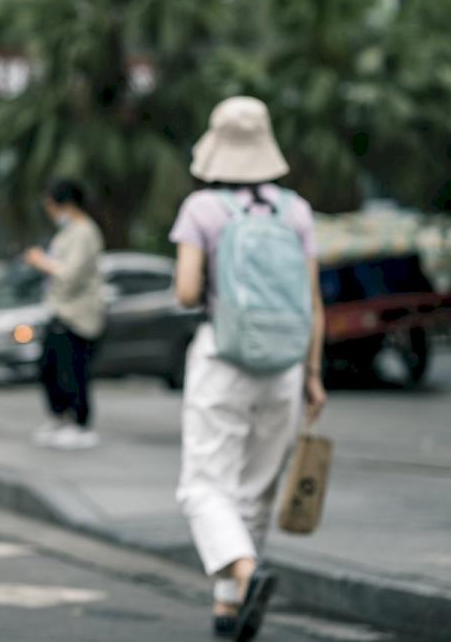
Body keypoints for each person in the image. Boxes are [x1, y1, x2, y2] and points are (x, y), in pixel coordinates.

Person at [170, 96, 327, 641]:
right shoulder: (296, 211)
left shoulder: (202, 210)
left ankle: (243, 571)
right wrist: (313, 373)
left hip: (224, 358)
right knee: (256, 488)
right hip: (285, 363)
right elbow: (312, 299)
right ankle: (228, 606)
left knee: (204, 485)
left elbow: (188, 291)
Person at [24, 179, 105, 451]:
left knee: (73, 370)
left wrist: (41, 262)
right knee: (50, 367)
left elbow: (71, 274)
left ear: (65, 204)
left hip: (77, 315)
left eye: (50, 205)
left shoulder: (84, 232)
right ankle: (59, 418)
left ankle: (79, 423)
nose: (49, 212)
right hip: (58, 311)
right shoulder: (68, 232)